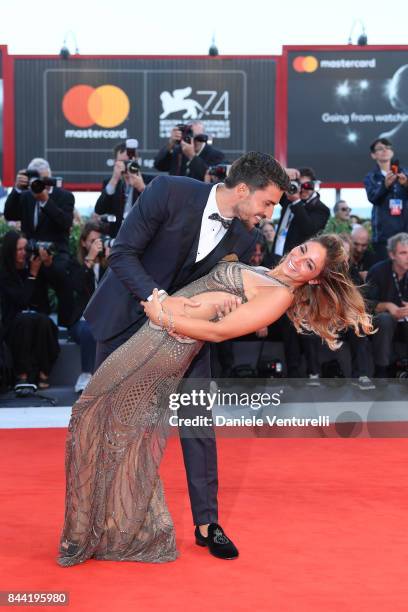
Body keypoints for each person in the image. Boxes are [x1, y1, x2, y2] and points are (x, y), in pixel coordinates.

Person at [58, 233, 372, 566]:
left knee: (96, 419)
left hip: (166, 342)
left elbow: (220, 333)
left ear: (315, 278)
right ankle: (106, 528)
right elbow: (207, 297)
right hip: (160, 332)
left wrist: (162, 315)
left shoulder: (279, 295)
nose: (298, 258)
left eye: (309, 264)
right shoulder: (263, 271)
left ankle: (113, 530)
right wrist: (184, 307)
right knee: (107, 425)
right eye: (304, 249)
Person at [80, 152, 287, 563]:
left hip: (186, 335)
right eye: (267, 202)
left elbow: (219, 285)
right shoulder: (170, 190)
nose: (268, 213)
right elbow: (122, 254)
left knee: (197, 422)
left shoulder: (244, 238)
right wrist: (159, 302)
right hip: (126, 317)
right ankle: (98, 522)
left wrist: (222, 303)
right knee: (111, 424)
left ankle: (207, 523)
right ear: (243, 190)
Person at [3, 158, 75, 327]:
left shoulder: (64, 196)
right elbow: (10, 214)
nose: (38, 183)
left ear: (49, 177)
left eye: (42, 179)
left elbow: (65, 223)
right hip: (32, 252)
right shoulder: (26, 196)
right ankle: (40, 324)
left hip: (56, 253)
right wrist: (17, 190)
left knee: (62, 280)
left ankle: (67, 325)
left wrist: (45, 200)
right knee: (35, 289)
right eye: (35, 179)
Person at [0, 231, 59, 388]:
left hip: (36, 318)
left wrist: (47, 265)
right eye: (18, 249)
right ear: (10, 251)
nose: (23, 253)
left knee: (44, 321)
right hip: (13, 323)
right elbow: (20, 300)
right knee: (25, 320)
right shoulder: (4, 274)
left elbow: (59, 286)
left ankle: (43, 373)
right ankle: (22, 375)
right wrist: (32, 275)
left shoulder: (35, 264)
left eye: (25, 249)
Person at [67, 223, 109, 393]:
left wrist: (114, 262)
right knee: (87, 329)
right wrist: (89, 261)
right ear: (84, 243)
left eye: (99, 241)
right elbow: (75, 286)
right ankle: (86, 375)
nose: (96, 245)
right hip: (83, 321)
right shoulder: (75, 263)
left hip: (107, 320)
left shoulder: (110, 263)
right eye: (92, 241)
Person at [366, 232, 408, 377]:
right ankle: (381, 371)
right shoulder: (378, 271)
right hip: (381, 325)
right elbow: (365, 303)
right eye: (403, 253)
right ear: (392, 255)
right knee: (385, 319)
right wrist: (388, 306)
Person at [364, 138, 408, 263]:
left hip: (405, 232)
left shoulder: (404, 173)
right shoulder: (371, 177)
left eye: (387, 147)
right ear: (373, 155)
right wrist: (385, 186)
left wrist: (406, 185)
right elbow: (373, 198)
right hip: (383, 236)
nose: (384, 150)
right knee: (385, 270)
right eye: (380, 148)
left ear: (392, 152)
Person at [94, 141, 150, 238]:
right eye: (122, 162)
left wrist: (142, 188)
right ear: (115, 162)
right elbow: (99, 209)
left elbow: (158, 208)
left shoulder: (150, 181)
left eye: (129, 161)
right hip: (117, 238)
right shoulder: (110, 183)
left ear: (137, 161)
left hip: (143, 237)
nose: (126, 165)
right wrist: (114, 180)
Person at [154, 121, 225, 181]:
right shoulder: (178, 151)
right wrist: (171, 144)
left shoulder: (216, 155)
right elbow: (159, 165)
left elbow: (211, 179)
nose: (194, 141)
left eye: (198, 137)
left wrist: (192, 156)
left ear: (204, 137)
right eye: (190, 136)